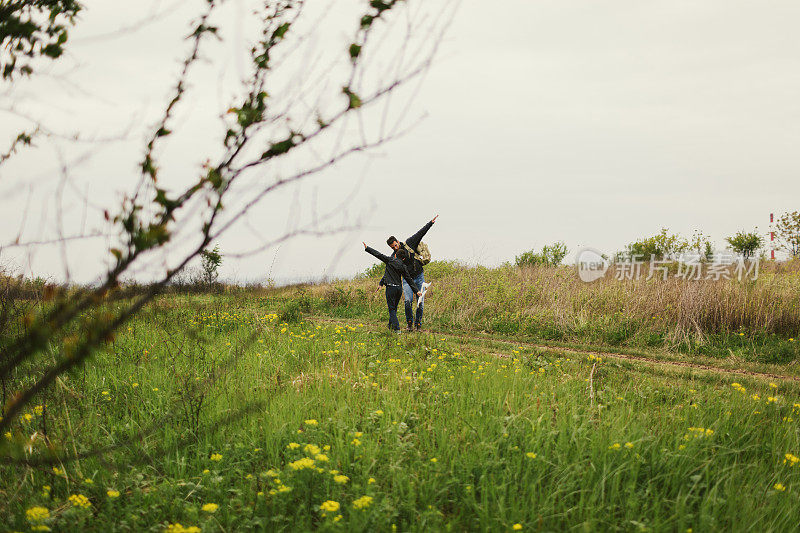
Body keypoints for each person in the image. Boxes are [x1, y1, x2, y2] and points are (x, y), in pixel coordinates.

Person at [386, 215, 438, 331]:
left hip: (419, 276)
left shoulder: (409, 243)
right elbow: (389, 269)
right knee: (408, 301)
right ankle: (409, 323)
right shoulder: (394, 256)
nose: (395, 248)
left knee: (421, 302)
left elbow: (420, 233)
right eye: (392, 247)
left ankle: (418, 324)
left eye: (395, 245)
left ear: (397, 241)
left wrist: (430, 223)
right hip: (406, 280)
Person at [363, 242, 421, 331]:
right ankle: (390, 326)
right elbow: (409, 279)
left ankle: (397, 329)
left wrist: (367, 248)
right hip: (399, 289)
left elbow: (378, 254)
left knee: (391, 309)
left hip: (391, 288)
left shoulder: (390, 260)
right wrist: (416, 291)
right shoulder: (403, 266)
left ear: (395, 255)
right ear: (404, 258)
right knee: (394, 308)